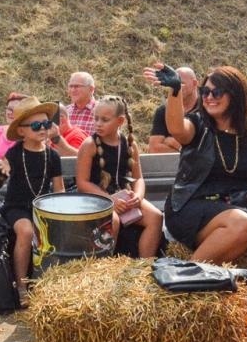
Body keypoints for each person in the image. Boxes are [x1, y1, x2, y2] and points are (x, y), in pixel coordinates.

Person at [150, 64, 247, 263]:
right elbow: (176, 128)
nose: (209, 97)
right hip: (192, 205)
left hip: (237, 203)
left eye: (216, 92)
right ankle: (187, 277)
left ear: (235, 95)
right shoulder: (198, 124)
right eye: (205, 91)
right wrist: (175, 91)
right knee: (241, 223)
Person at [75, 94, 163, 257]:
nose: (98, 124)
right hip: (97, 198)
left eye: (105, 120)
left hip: (123, 197)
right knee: (113, 220)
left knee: (156, 217)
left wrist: (137, 196)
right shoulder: (89, 145)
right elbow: (82, 183)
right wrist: (110, 200)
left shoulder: (130, 144)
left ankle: (144, 265)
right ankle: (107, 268)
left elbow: (138, 178)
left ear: (120, 121)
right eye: (96, 119)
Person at [0, 98, 64, 300]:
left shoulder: (52, 156)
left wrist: (60, 214)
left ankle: (50, 282)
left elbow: (58, 189)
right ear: (22, 131)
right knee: (25, 231)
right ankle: (21, 284)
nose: (43, 129)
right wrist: (2, 173)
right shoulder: (14, 153)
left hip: (42, 207)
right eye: (36, 125)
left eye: (46, 124)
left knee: (58, 231)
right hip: (16, 207)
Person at [148, 67, 193, 152]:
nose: (179, 87)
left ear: (195, 83)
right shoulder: (163, 111)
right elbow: (154, 148)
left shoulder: (204, 108)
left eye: (181, 83)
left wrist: (175, 144)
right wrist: (186, 151)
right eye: (173, 84)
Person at [64, 71, 98, 140]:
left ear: (91, 89)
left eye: (77, 86)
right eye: (71, 86)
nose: (73, 90)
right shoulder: (65, 112)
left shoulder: (102, 111)